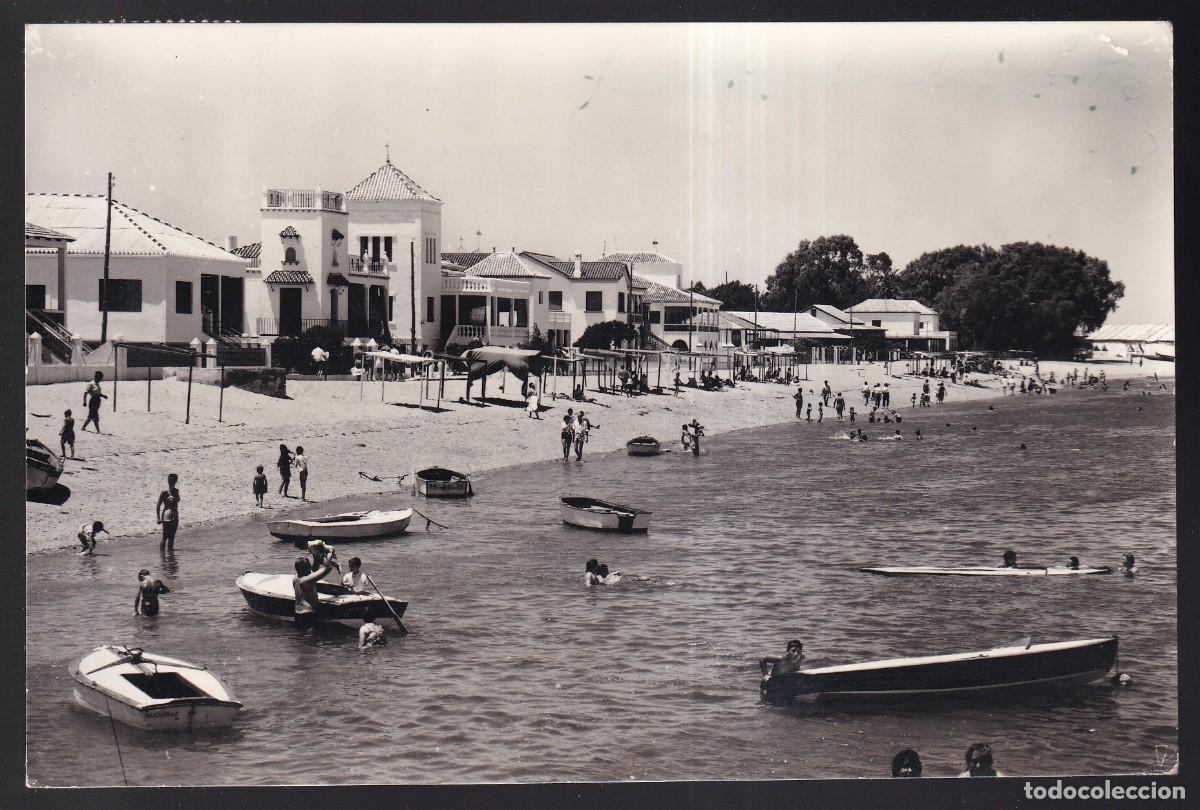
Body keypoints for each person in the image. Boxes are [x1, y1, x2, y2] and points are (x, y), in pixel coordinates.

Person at [293, 553, 335, 631]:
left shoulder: (296, 578)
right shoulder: (306, 580)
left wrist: (316, 558)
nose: (310, 568)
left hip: (298, 614)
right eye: (308, 567)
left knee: (302, 638)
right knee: (311, 640)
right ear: (302, 569)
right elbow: (328, 568)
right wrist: (326, 557)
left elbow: (313, 571)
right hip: (308, 614)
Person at [156, 473, 181, 552]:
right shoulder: (165, 492)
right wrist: (158, 518)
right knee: (167, 537)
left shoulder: (175, 491)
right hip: (169, 516)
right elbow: (158, 505)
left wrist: (159, 518)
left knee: (168, 537)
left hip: (171, 516)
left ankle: (165, 557)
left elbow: (177, 500)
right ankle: (165, 556)